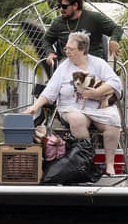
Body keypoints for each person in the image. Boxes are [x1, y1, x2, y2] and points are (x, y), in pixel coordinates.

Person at [24, 32, 122, 176]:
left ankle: (109, 165)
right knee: (77, 120)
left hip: (97, 106)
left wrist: (95, 93)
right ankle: (87, 160)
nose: (67, 51)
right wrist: (34, 107)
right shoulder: (64, 67)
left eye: (71, 49)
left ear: (82, 50)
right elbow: (50, 91)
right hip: (71, 107)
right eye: (66, 48)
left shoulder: (98, 63)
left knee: (114, 120)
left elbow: (115, 82)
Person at [41, 0, 123, 65]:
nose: (61, 9)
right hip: (68, 64)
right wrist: (50, 53)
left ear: (75, 5)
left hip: (92, 63)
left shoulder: (93, 18)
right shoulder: (58, 22)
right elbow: (46, 40)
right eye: (59, 6)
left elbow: (117, 28)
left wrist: (114, 40)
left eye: (64, 6)